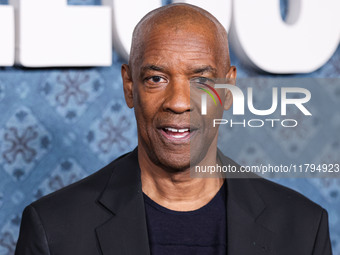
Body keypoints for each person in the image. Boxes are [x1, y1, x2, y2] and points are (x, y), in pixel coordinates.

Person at [15, 3, 332, 255]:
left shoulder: (302, 227)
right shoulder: (54, 228)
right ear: (129, 87)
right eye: (156, 79)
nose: (179, 103)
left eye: (201, 80)